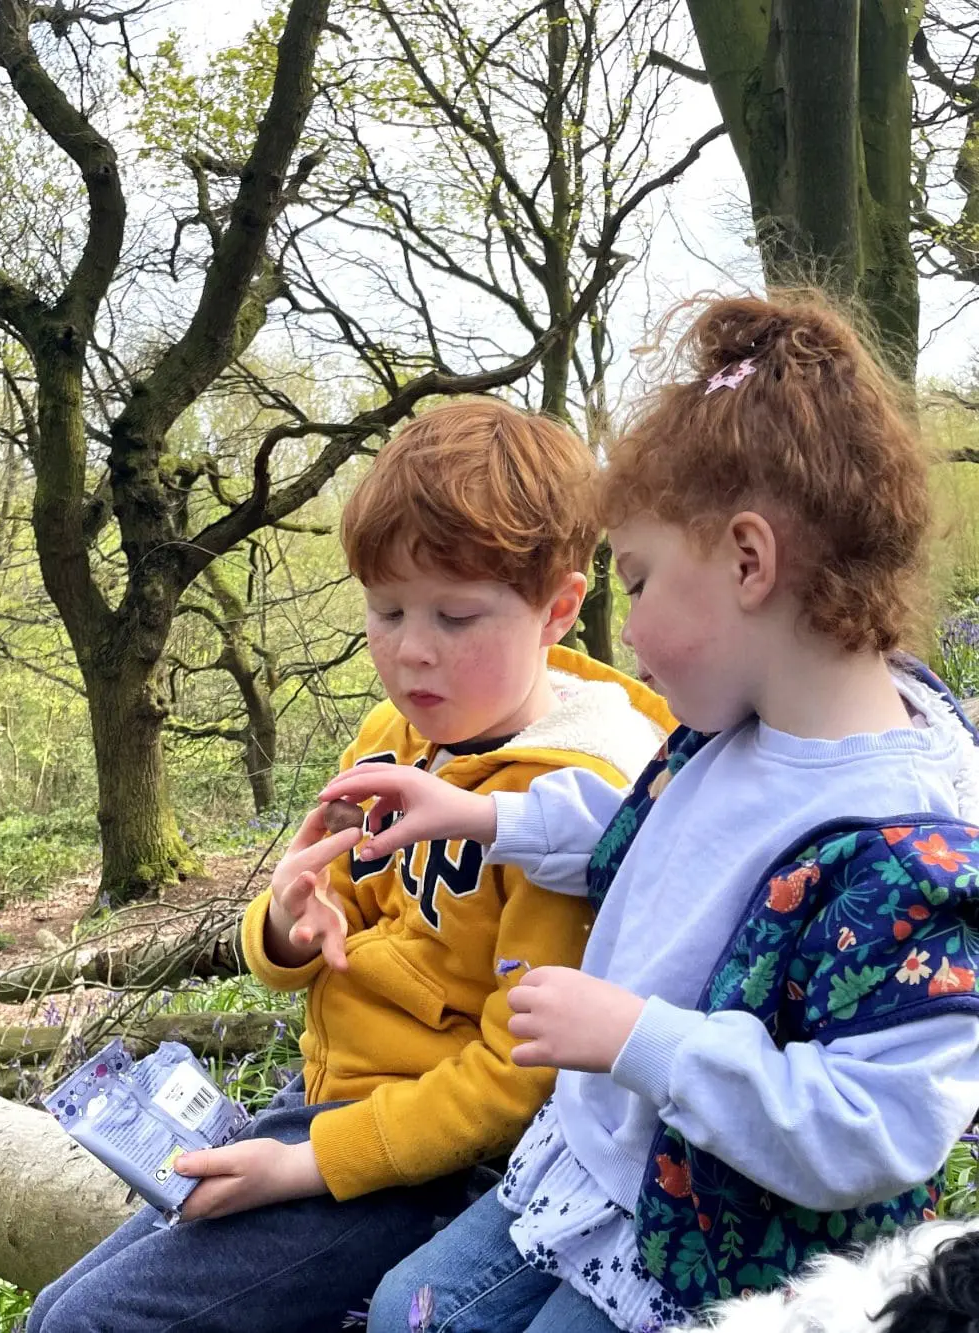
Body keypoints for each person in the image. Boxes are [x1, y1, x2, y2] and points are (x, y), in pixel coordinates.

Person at [322, 296, 979, 1333]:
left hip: (717, 1248)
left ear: (747, 562)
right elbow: (644, 842)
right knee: (415, 1307)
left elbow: (879, 1128)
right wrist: (479, 816)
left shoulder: (908, 846)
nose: (621, 641)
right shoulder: (732, 734)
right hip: (595, 1163)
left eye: (633, 581)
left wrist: (643, 1038)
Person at [27, 397, 673, 1333]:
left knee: (88, 1323)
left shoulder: (568, 809)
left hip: (432, 1168)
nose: (413, 649)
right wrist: (292, 919)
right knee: (57, 1308)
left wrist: (306, 1163)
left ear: (559, 609)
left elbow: (513, 1080)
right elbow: (312, 932)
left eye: (456, 615)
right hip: (325, 1106)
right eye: (386, 609)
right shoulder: (394, 738)